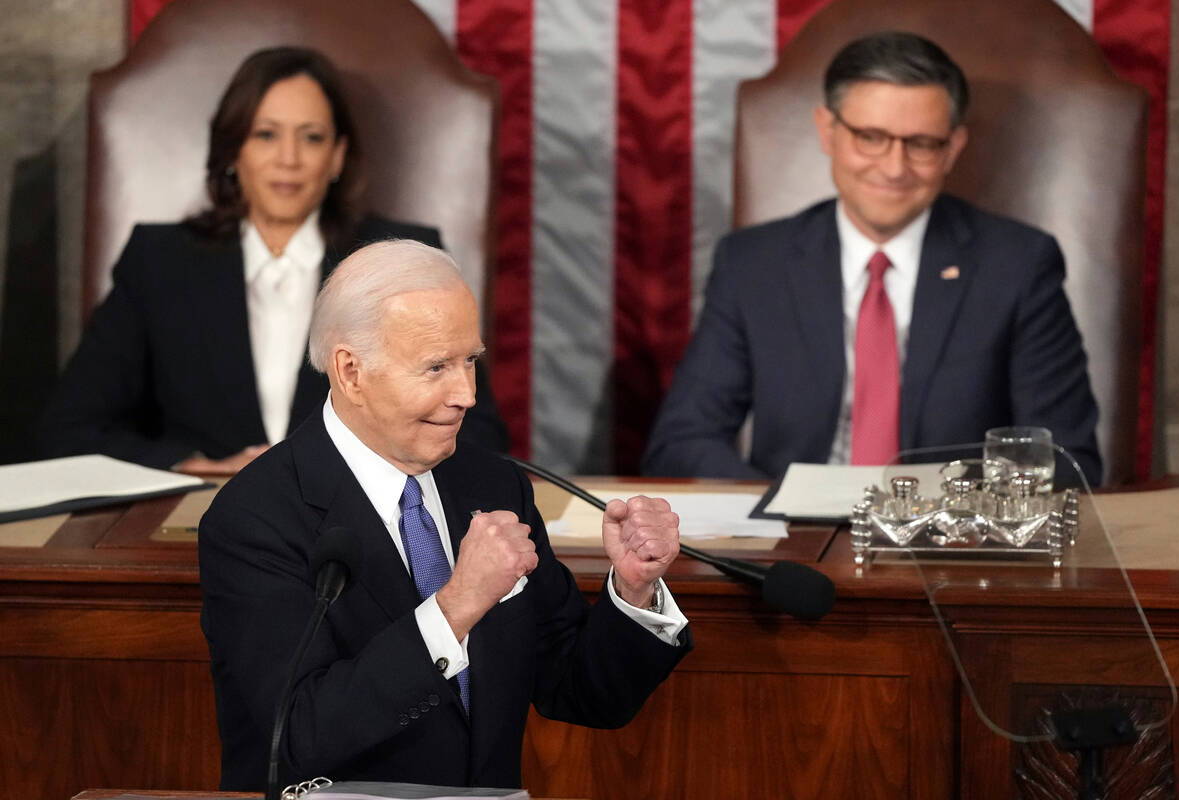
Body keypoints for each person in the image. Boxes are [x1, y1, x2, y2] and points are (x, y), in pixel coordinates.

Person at [199, 239, 692, 791]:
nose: (467, 394)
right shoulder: (255, 517)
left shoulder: (493, 484)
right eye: (436, 367)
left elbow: (579, 689)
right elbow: (299, 736)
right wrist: (456, 607)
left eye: (470, 361)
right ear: (350, 371)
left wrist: (633, 591)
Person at [642, 31, 1101, 486]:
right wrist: (781, 509)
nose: (894, 167)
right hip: (788, 539)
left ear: (953, 148)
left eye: (921, 143)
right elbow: (682, 443)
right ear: (828, 131)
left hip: (950, 546)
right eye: (871, 137)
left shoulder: (1019, 265)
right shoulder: (753, 264)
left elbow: (1065, 461)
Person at [36, 46, 508, 473]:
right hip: (198, 521)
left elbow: (480, 435)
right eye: (265, 135)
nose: (289, 159)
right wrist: (194, 465)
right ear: (233, 151)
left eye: (312, 138)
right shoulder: (158, 262)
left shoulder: (398, 261)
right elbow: (67, 432)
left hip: (362, 524)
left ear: (338, 157)